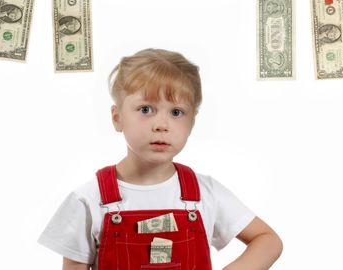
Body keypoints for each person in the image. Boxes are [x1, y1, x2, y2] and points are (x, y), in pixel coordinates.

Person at [38, 48, 283, 270]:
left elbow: (268, 240)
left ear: (192, 122)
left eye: (177, 112)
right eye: (146, 109)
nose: (161, 125)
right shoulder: (89, 199)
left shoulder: (205, 193)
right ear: (117, 117)